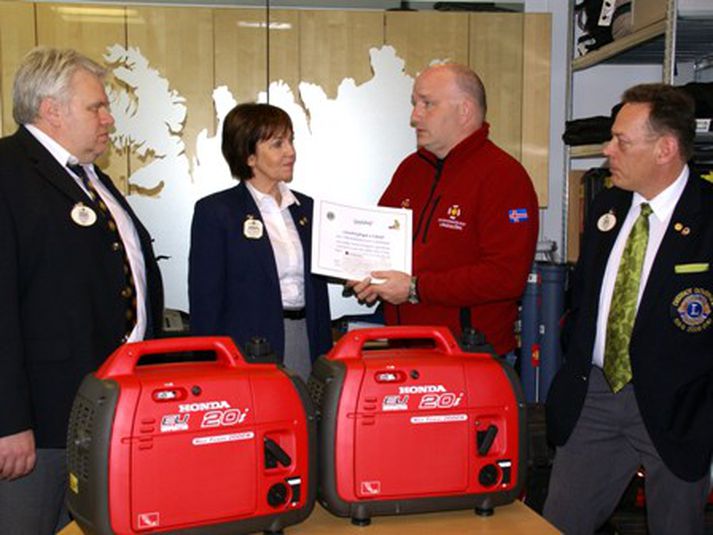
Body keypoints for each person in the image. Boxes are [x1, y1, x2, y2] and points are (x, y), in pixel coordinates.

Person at [0, 47, 164, 533]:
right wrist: (8, 421)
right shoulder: (7, 173)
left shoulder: (90, 177)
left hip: (107, 409)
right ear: (51, 109)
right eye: (97, 107)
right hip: (42, 424)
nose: (109, 119)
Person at [544, 84, 713, 534]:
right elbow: (583, 299)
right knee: (558, 523)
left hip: (679, 404)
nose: (607, 149)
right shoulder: (608, 205)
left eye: (622, 140)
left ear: (665, 149)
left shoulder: (707, 216)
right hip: (597, 393)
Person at [352, 63, 539, 358]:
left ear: (464, 111)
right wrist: (369, 275)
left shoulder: (504, 176)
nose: (414, 117)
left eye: (427, 104)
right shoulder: (410, 170)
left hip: (469, 357)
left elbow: (505, 277)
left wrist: (415, 288)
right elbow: (381, 243)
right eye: (414, 104)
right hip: (403, 349)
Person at [189, 103, 332, 380]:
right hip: (246, 348)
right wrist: (208, 367)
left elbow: (328, 271)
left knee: (305, 407)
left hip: (307, 338)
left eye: (290, 140)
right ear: (249, 156)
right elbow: (206, 300)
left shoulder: (307, 209)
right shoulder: (217, 212)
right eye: (278, 144)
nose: (290, 151)